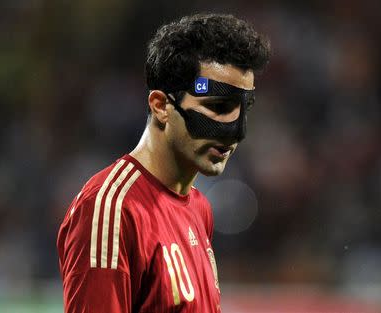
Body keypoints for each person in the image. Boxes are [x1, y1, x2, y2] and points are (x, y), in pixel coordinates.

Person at [57, 13, 270, 313]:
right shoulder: (111, 209)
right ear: (161, 106)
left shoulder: (199, 208)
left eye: (241, 110)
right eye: (217, 107)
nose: (235, 131)